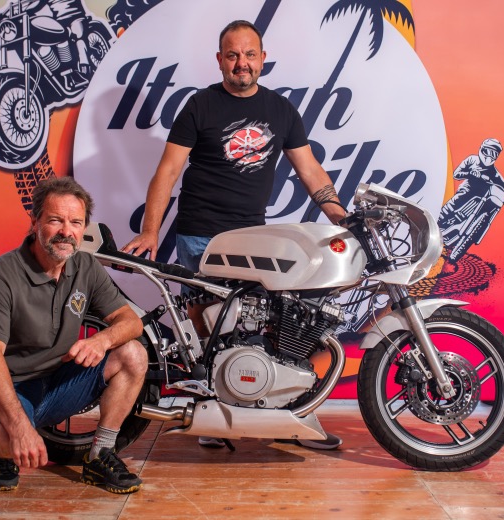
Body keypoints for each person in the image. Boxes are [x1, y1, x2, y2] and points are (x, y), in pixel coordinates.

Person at [123, 20, 346, 450]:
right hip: (201, 234)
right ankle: (213, 416)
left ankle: (294, 412)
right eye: (232, 55)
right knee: (210, 328)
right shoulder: (200, 106)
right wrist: (150, 231)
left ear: (263, 59)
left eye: (249, 54)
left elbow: (310, 170)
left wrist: (339, 215)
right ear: (220, 60)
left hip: (252, 238)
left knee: (273, 327)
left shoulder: (281, 110)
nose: (241, 63)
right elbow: (167, 172)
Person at [0, 177, 148, 494]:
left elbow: (131, 322)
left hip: (56, 382)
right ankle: (2, 453)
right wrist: (19, 428)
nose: (66, 231)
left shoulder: (86, 266)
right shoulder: (1, 275)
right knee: (7, 439)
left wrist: (102, 340)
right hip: (6, 387)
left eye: (75, 222)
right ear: (34, 222)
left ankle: (100, 455)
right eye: (55, 220)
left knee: (133, 353)